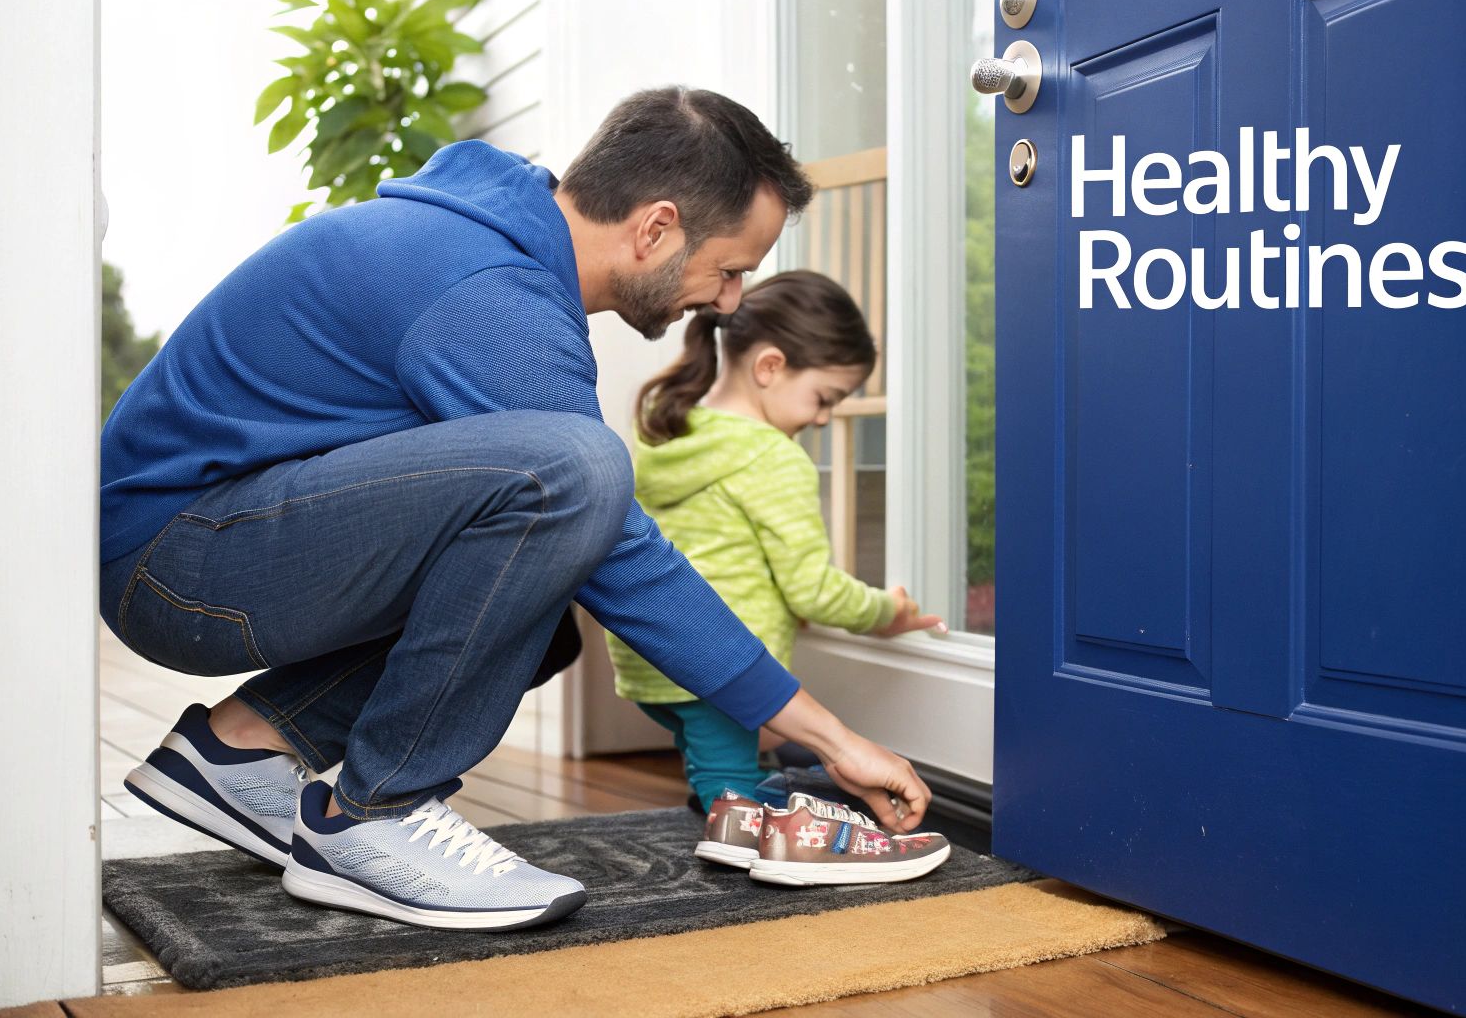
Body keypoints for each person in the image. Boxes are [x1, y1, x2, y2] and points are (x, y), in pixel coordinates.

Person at [97, 87, 931, 933]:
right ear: (655, 229)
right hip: (177, 564)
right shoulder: (486, 290)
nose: (727, 302)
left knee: (537, 614)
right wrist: (831, 737)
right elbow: (619, 547)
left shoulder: (488, 243)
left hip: (202, 543)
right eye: (729, 268)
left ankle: (240, 750)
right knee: (575, 470)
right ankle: (375, 816)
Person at [607, 271, 944, 815]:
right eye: (824, 398)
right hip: (722, 665)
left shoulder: (669, 431)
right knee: (734, 798)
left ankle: (725, 790)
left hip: (646, 661)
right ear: (769, 367)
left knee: (723, 754)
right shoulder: (773, 456)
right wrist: (886, 612)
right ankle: (741, 837)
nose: (824, 417)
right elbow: (812, 589)